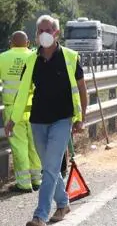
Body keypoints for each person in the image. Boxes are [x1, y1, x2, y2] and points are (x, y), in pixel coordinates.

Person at [4, 15, 88, 226]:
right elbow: (22, 93)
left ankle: (40, 215)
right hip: (38, 120)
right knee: (48, 167)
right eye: (40, 31)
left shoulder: (70, 57)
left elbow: (82, 89)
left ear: (56, 33)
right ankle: (63, 202)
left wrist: (81, 118)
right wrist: (12, 120)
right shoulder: (31, 60)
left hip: (62, 119)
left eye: (47, 30)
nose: (43, 34)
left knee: (50, 168)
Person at [0, 31, 42, 193]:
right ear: (28, 42)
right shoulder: (35, 56)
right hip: (35, 108)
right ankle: (37, 180)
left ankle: (24, 184)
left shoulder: (3, 58)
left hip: (13, 110)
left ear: (11, 42)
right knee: (35, 144)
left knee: (19, 146)